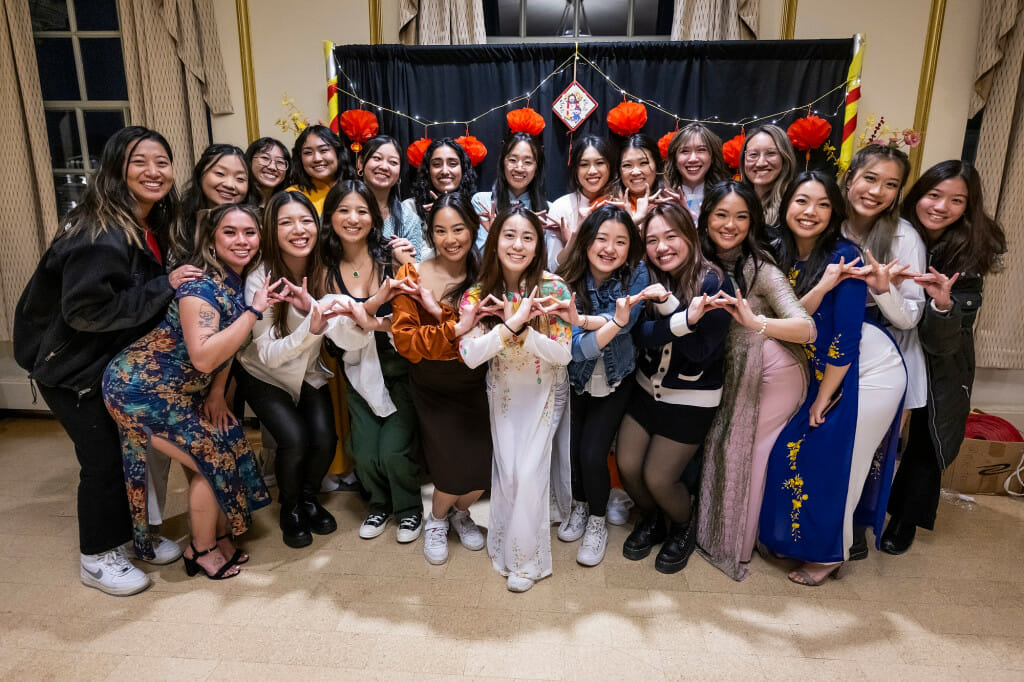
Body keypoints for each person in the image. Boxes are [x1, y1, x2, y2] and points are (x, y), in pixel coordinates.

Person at [13, 126, 196, 595]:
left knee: (132, 453)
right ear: (116, 168)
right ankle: (96, 557)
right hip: (71, 369)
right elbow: (86, 312)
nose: (154, 171)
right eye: (140, 161)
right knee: (104, 463)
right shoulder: (98, 232)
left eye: (162, 161)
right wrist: (167, 284)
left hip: (108, 366)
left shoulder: (148, 222)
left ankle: (134, 537)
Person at [102, 203, 273, 580]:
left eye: (250, 232)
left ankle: (219, 534)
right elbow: (204, 355)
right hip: (138, 389)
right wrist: (254, 312)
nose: (241, 240)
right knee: (212, 459)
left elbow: (229, 346)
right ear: (212, 240)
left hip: (182, 391)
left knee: (229, 440)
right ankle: (201, 549)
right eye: (230, 232)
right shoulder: (201, 286)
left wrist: (216, 395)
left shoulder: (238, 282)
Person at [760, 171, 905, 586]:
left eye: (823, 204)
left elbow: (845, 337)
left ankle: (830, 555)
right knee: (792, 451)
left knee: (837, 461)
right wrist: (821, 288)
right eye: (802, 201)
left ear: (833, 212)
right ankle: (794, 538)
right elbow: (784, 318)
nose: (811, 212)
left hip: (866, 369)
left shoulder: (847, 256)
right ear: (785, 205)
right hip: (813, 366)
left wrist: (826, 396)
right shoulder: (776, 252)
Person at [881, 160, 1006, 554]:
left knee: (925, 439)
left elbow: (942, 343)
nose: (940, 206)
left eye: (956, 201)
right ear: (918, 194)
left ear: (968, 208)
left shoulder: (968, 255)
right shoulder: (894, 232)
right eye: (934, 195)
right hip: (888, 345)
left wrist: (941, 303)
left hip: (942, 359)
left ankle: (905, 518)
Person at [695, 181, 816, 581]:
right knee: (723, 446)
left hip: (771, 372)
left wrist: (756, 323)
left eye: (741, 217)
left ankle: (737, 546)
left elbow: (807, 328)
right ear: (706, 216)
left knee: (746, 454)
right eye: (722, 214)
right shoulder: (700, 257)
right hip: (734, 370)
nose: (730, 224)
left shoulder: (760, 268)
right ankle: (717, 533)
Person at [458, 205, 573, 592]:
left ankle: (529, 562)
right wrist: (509, 326)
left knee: (529, 474)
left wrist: (524, 333)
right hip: (504, 393)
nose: (518, 244)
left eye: (527, 236)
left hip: (544, 393)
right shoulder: (476, 295)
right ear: (494, 240)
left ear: (538, 243)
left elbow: (563, 354)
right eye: (509, 235)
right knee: (508, 474)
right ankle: (505, 545)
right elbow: (471, 356)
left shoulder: (554, 288)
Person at [617, 202, 734, 574]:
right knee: (627, 465)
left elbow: (701, 351)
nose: (662, 247)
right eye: (652, 240)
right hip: (644, 391)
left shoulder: (714, 281)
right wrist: (683, 318)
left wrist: (669, 308)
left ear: (690, 235)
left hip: (691, 401)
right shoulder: (643, 276)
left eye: (671, 236)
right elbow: (641, 336)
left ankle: (683, 525)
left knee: (658, 477)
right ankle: (653, 518)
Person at [234, 191, 339, 548]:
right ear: (271, 230)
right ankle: (289, 507)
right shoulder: (259, 277)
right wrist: (312, 327)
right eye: (286, 222)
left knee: (325, 438)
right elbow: (268, 356)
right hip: (263, 374)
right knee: (293, 439)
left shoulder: (323, 266)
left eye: (306, 220)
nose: (299, 229)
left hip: (307, 369)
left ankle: (309, 499)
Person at [391, 193, 492, 565]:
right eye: (441, 231)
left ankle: (461, 514)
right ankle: (436, 520)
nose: (451, 239)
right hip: (433, 384)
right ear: (430, 234)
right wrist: (454, 329)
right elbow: (406, 342)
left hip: (478, 384)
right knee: (448, 470)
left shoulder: (487, 272)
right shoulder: (411, 274)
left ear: (473, 228)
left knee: (482, 470)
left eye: (459, 229)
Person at [320, 180, 424, 543]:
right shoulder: (324, 266)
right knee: (363, 454)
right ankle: (379, 503)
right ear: (330, 215)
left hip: (401, 367)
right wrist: (370, 313)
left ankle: (409, 508)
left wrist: (371, 321)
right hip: (357, 371)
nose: (353, 218)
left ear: (374, 216)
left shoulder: (392, 256)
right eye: (344, 210)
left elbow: (418, 316)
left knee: (393, 451)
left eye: (362, 210)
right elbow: (335, 330)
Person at [839, 144, 925, 558]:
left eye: (890, 184)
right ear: (850, 176)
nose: (876, 191)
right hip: (818, 347)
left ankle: (848, 525)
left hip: (876, 352)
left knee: (859, 445)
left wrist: (883, 289)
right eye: (870, 178)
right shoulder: (823, 218)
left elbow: (910, 316)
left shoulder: (904, 236)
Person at [554, 204, 649, 566]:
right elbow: (574, 349)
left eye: (620, 241)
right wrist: (602, 322)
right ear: (586, 240)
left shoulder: (636, 274)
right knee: (574, 450)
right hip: (576, 379)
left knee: (594, 453)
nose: (610, 248)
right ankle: (580, 506)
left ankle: (597, 519)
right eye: (601, 238)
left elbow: (624, 325)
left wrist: (584, 320)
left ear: (630, 248)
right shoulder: (567, 278)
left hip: (615, 378)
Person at [547, 135, 617, 271]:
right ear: (575, 170)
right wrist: (574, 238)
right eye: (584, 164)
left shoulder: (619, 205)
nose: (592, 171)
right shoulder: (561, 207)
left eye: (599, 163)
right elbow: (553, 267)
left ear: (610, 166)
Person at [471, 131, 548, 252]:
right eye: (512, 160)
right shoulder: (482, 202)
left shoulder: (548, 211)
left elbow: (547, 262)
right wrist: (494, 233)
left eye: (527, 162)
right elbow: (476, 257)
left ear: (537, 168)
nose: (519, 168)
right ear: (503, 163)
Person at [175, 144, 251, 265]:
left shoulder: (254, 225)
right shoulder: (177, 222)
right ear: (201, 174)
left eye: (240, 179)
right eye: (220, 174)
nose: (230, 185)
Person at [356, 135, 422, 260]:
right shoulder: (339, 206)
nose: (384, 167)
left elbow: (416, 273)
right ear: (360, 163)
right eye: (377, 158)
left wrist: (407, 257)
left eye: (393, 162)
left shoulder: (408, 219)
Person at [405, 137, 479, 240]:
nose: (445, 171)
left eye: (452, 164)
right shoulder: (410, 208)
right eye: (436, 164)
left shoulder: (477, 206)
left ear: (463, 169)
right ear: (428, 170)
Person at [738, 124, 797, 239]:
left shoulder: (794, 207)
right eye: (753, 154)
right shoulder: (735, 201)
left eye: (771, 153)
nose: (761, 163)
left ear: (785, 158)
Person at [663, 124, 731, 223]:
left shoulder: (727, 196)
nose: (693, 159)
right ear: (675, 159)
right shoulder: (662, 198)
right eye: (685, 151)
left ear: (712, 157)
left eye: (701, 150)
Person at [286, 124, 354, 215]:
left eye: (323, 150)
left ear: (338, 152)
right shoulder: (291, 196)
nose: (317, 158)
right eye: (308, 152)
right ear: (300, 159)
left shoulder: (356, 190)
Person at [616, 133, 663, 221]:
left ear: (657, 165)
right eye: (627, 165)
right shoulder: (608, 208)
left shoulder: (671, 204)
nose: (636, 172)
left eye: (643, 163)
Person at [245, 137, 291, 206]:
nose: (272, 167)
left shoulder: (289, 205)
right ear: (250, 161)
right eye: (265, 158)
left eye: (279, 162)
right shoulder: (236, 203)